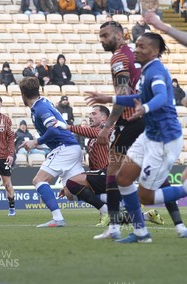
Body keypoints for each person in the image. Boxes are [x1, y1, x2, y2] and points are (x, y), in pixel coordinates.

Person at [85, 33, 187, 242]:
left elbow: (159, 96)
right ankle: (141, 232)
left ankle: (184, 191)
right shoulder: (146, 70)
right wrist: (109, 98)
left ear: (155, 51)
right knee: (122, 178)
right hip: (149, 136)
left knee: (145, 196)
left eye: (142, 47)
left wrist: (146, 108)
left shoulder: (157, 71)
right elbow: (139, 97)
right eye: (136, 45)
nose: (137, 50)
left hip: (164, 141)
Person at [59, 106, 164, 227]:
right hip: (103, 175)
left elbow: (96, 133)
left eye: (94, 114)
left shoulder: (109, 130)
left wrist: (68, 127)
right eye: (90, 114)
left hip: (111, 173)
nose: (90, 117)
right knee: (70, 191)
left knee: (71, 183)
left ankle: (105, 211)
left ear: (104, 118)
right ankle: (146, 216)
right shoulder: (92, 140)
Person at [89, 21, 145, 240]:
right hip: (144, 118)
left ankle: (114, 226)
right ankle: (177, 225)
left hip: (129, 120)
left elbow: (121, 97)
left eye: (105, 35)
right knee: (145, 172)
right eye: (100, 36)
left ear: (120, 35)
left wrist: (108, 126)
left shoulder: (119, 58)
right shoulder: (132, 55)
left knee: (113, 172)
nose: (102, 40)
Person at [18, 77, 85, 227]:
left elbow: (53, 130)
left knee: (38, 180)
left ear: (23, 94)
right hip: (72, 147)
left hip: (64, 147)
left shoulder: (40, 108)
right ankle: (112, 205)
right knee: (71, 192)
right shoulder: (43, 102)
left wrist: (35, 142)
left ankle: (58, 218)